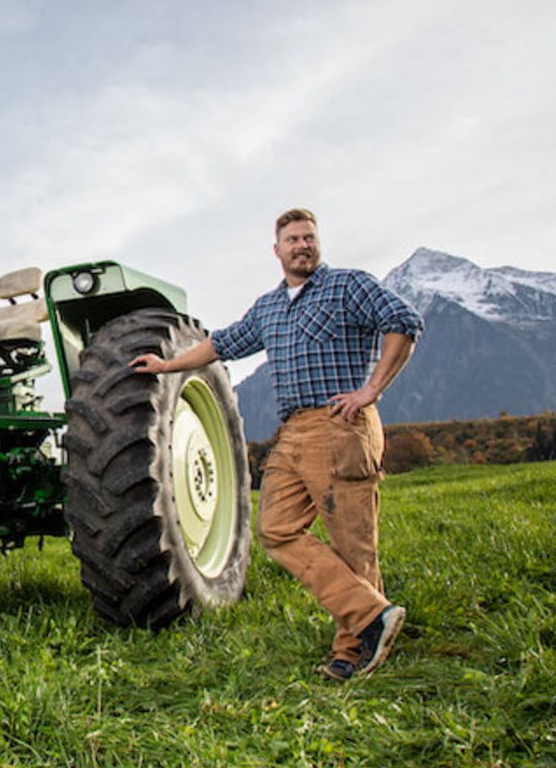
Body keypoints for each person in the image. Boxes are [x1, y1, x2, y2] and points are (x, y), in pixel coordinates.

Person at [130, 208, 423, 680]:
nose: (302, 246)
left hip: (340, 423)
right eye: (292, 240)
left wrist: (371, 391)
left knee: (352, 545)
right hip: (294, 433)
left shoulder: (348, 286)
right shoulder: (270, 306)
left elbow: (404, 323)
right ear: (277, 250)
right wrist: (167, 366)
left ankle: (355, 650)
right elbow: (223, 343)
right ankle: (372, 615)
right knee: (275, 529)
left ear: (317, 243)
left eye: (309, 238)